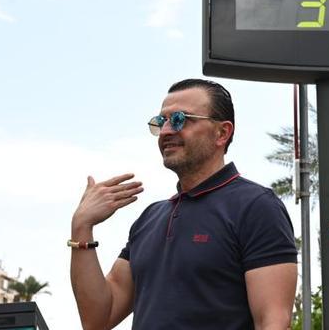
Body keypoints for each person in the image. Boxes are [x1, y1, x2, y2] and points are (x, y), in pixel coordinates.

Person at [70, 79, 298, 330]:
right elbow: (97, 320)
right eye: (161, 121)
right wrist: (82, 227)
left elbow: (273, 322)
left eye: (180, 119)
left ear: (222, 132)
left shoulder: (256, 206)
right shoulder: (149, 218)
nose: (167, 131)